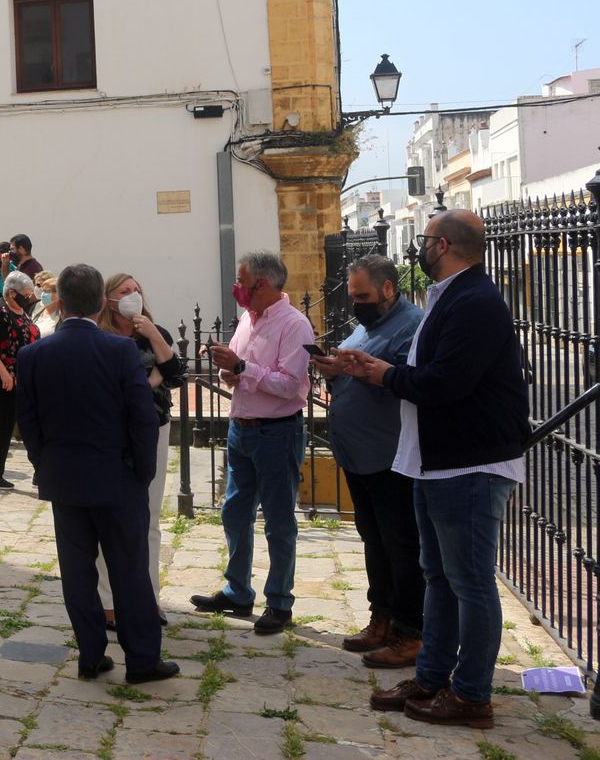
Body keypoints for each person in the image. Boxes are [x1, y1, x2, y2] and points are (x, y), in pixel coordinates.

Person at [348, 211, 530, 729]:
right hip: (435, 462)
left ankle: (472, 695)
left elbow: (447, 382)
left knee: (470, 581)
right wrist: (380, 371)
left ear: (442, 244)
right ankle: (431, 677)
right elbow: (430, 373)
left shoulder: (475, 302)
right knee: (439, 577)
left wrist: (386, 375)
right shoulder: (450, 296)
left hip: (468, 464)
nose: (420, 248)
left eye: (425, 240)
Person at [17, 264, 177, 684]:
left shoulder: (33, 353)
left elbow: (28, 422)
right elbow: (142, 419)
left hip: (65, 481)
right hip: (118, 478)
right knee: (130, 571)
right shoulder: (118, 351)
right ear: (98, 302)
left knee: (77, 573)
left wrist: (44, 465)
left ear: (63, 302)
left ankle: (90, 654)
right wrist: (142, 473)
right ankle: (141, 659)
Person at [307, 255, 425, 669]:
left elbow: (413, 383)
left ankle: (410, 632)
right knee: (375, 541)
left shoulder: (412, 326)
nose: (356, 303)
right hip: (359, 455)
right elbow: (358, 369)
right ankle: (383, 618)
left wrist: (362, 372)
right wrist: (336, 370)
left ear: (388, 289)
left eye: (362, 296)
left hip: (390, 456)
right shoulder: (366, 326)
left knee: (401, 546)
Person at [190, 251, 315, 636]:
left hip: (276, 431)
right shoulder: (249, 318)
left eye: (241, 281)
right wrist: (231, 370)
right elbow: (246, 373)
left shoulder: (294, 325)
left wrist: (242, 368)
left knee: (278, 521)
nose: (237, 288)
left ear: (262, 284)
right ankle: (238, 590)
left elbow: (290, 386)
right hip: (241, 428)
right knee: (234, 512)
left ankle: (279, 602)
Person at [95, 272, 185, 633]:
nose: (132, 296)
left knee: (149, 515)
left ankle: (150, 596)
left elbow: (176, 373)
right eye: (124, 291)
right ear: (108, 299)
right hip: (114, 432)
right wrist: (150, 379)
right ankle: (109, 602)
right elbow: (114, 384)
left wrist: (152, 337)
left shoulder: (154, 330)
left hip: (153, 427)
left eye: (136, 290)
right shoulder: (102, 336)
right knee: (109, 516)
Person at [0, 270, 41, 488]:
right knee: (6, 425)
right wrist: (4, 374)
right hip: (6, 380)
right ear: (12, 293)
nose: (30, 296)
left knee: (26, 424)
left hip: (23, 378)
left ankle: (39, 472)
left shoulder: (21, 310)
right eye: (27, 293)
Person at [32, 271, 60, 337]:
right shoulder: (35, 309)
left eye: (47, 291)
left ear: (58, 294)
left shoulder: (64, 315)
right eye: (43, 291)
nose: (43, 294)